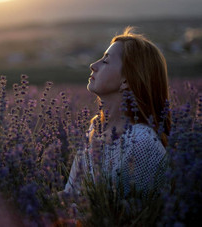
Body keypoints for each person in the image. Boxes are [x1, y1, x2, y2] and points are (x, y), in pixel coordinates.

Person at [63, 27, 171, 198]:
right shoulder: (95, 128)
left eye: (105, 61)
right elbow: (69, 195)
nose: (93, 65)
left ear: (126, 81)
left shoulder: (141, 143)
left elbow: (123, 215)